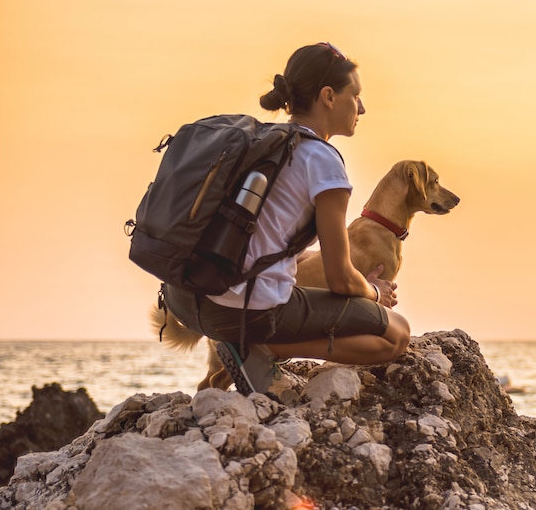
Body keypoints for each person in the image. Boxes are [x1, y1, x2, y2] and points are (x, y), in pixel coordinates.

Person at [163, 42, 410, 396]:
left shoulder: (261, 142)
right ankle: (262, 350)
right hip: (243, 314)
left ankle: (245, 344)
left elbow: (265, 241)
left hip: (184, 298)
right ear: (328, 96)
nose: (362, 107)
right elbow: (341, 279)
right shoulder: (322, 162)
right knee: (397, 333)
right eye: (355, 95)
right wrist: (373, 291)